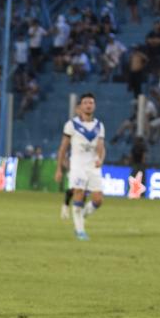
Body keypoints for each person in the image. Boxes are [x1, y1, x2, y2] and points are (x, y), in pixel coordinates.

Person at [55, 93, 104, 241]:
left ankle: (80, 215)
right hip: (77, 165)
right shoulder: (71, 125)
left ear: (94, 106)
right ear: (80, 107)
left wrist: (100, 159)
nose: (89, 105)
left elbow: (101, 146)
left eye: (91, 103)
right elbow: (63, 148)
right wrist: (59, 168)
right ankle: (80, 230)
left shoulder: (99, 126)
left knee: (98, 200)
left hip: (93, 165)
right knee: (79, 193)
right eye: (86, 103)